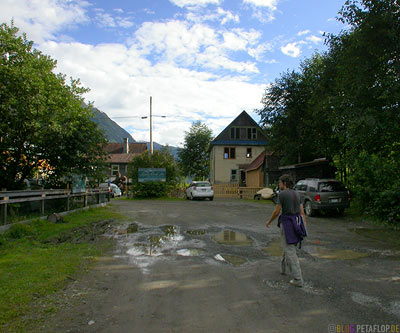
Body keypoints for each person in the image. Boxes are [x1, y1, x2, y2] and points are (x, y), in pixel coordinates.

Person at [266, 174, 307, 287]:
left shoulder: (282, 194)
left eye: (280, 183)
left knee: (289, 250)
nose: (279, 185)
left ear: (284, 183)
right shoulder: (297, 194)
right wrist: (304, 226)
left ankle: (298, 279)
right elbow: (302, 211)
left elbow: (276, 211)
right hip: (297, 222)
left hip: (287, 224)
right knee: (288, 246)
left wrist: (269, 222)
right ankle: (283, 269)